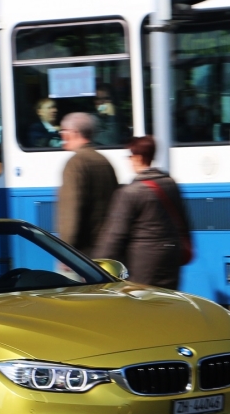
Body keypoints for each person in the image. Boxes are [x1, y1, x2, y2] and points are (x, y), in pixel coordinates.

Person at [96, 134, 192, 290]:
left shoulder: (131, 192)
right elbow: (184, 223)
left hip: (144, 263)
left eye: (130, 155)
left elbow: (114, 236)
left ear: (138, 158)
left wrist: (98, 265)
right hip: (171, 256)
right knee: (168, 302)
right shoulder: (170, 184)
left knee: (143, 305)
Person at [56, 112, 119, 253]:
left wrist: (66, 250)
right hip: (105, 246)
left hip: (84, 252)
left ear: (74, 133)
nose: (61, 135)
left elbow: (70, 210)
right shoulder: (104, 161)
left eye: (63, 131)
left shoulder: (75, 163)